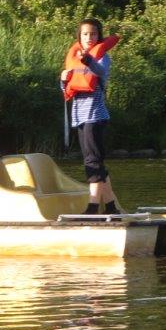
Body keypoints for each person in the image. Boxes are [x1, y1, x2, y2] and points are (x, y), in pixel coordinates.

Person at [61, 18, 121, 215]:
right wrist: (63, 80)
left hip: (95, 116)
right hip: (79, 116)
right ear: (79, 36)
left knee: (92, 162)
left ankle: (93, 207)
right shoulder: (73, 57)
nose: (89, 37)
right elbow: (67, 91)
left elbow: (100, 71)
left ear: (99, 36)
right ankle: (111, 206)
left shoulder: (101, 58)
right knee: (96, 162)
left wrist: (87, 59)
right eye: (85, 34)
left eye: (93, 34)